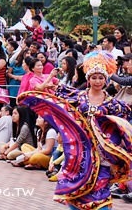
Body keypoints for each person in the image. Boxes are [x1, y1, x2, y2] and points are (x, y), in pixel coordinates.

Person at [19, 51, 132, 209]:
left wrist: (112, 149)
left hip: (102, 156)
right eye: (94, 77)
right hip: (80, 152)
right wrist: (61, 132)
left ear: (106, 80)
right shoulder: (79, 97)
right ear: (88, 79)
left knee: (101, 197)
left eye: (101, 78)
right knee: (76, 195)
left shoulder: (113, 104)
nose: (97, 81)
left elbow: (122, 125)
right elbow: (64, 114)